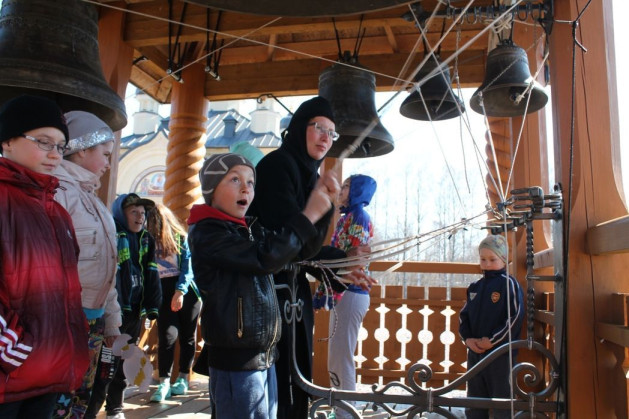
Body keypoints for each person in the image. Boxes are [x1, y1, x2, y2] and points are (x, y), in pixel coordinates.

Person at [248, 96, 375, 418]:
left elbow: (309, 246)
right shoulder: (277, 167)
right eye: (319, 128)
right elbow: (290, 242)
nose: (325, 138)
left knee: (296, 381)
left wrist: (341, 263)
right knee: (272, 388)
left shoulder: (309, 178)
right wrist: (322, 208)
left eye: (331, 133)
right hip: (266, 295)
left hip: (292, 295)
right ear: (298, 128)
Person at [187, 152, 340, 418]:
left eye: (251, 182)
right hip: (235, 359)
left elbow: (295, 251)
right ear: (211, 189)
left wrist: (323, 212)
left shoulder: (248, 230)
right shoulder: (208, 233)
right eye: (235, 179)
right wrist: (309, 214)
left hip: (264, 355)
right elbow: (266, 257)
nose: (246, 188)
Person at [0, 95, 90, 417]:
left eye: (61, 146)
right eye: (43, 142)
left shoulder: (56, 211)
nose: (55, 154)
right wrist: (12, 346)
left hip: (49, 370)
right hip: (10, 374)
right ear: (7, 141)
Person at [51, 111, 123, 418]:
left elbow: (108, 268)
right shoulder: (57, 193)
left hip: (92, 321)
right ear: (81, 149)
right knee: (58, 400)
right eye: (105, 154)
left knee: (81, 398)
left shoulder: (95, 202)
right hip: (62, 321)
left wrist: (112, 320)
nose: (108, 163)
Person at [85, 193, 162, 419]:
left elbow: (151, 273)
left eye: (143, 213)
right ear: (121, 214)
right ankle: (89, 412)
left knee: (123, 364)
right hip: (114, 313)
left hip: (134, 313)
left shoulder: (146, 239)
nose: (140, 217)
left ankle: (115, 408)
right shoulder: (113, 236)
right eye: (133, 212)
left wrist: (152, 305)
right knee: (105, 366)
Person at [323, 174, 376, 419]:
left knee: (342, 355)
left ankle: (346, 412)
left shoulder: (359, 218)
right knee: (336, 355)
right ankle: (340, 408)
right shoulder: (347, 218)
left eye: (346, 186)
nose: (341, 190)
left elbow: (353, 257)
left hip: (352, 290)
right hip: (342, 290)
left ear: (357, 191)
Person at [458, 234, 524, 419]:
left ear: (504, 259)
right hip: (476, 353)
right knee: (475, 400)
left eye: (492, 259)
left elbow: (514, 317)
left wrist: (493, 341)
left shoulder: (508, 284)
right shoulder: (475, 287)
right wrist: (468, 339)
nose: (487, 264)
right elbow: (464, 316)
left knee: (502, 400)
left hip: (501, 355)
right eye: (483, 259)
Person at [147, 204, 202, 402]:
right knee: (167, 336)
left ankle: (183, 377)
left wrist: (180, 291)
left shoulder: (180, 238)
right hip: (162, 289)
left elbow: (188, 267)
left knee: (187, 336)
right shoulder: (148, 240)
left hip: (186, 291)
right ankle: (164, 381)